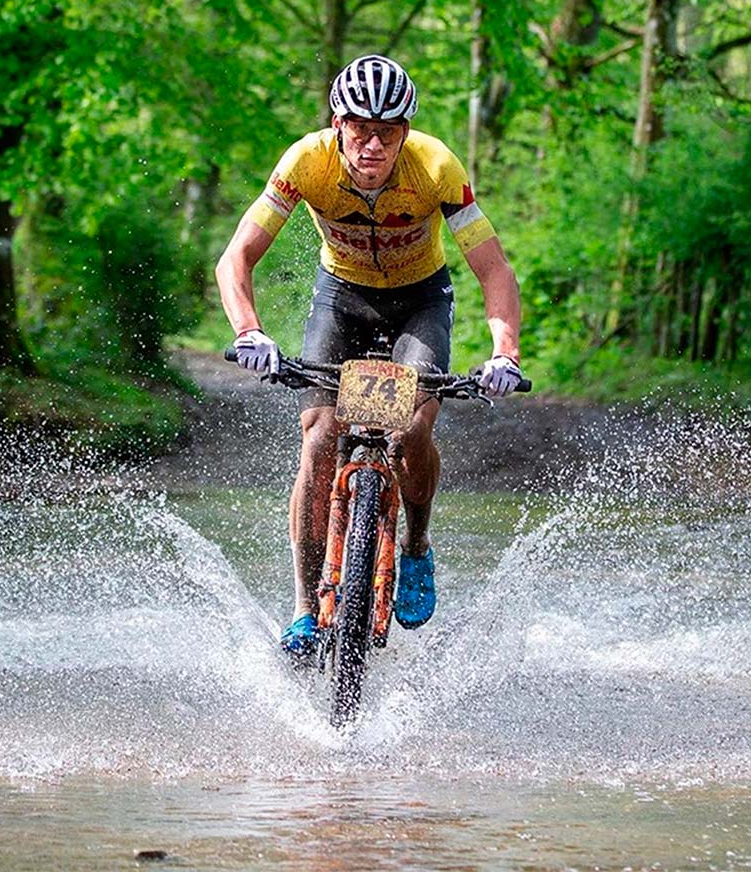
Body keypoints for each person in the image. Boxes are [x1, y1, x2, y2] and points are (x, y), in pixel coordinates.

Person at [214, 54, 524, 658]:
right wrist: (250, 332)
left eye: (388, 132)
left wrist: (504, 353)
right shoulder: (306, 163)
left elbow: (494, 270)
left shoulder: (435, 167)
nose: (373, 145)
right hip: (343, 297)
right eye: (361, 130)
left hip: (420, 300)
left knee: (411, 429)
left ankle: (415, 548)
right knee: (318, 434)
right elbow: (236, 259)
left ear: (406, 132)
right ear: (338, 124)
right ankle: (305, 608)